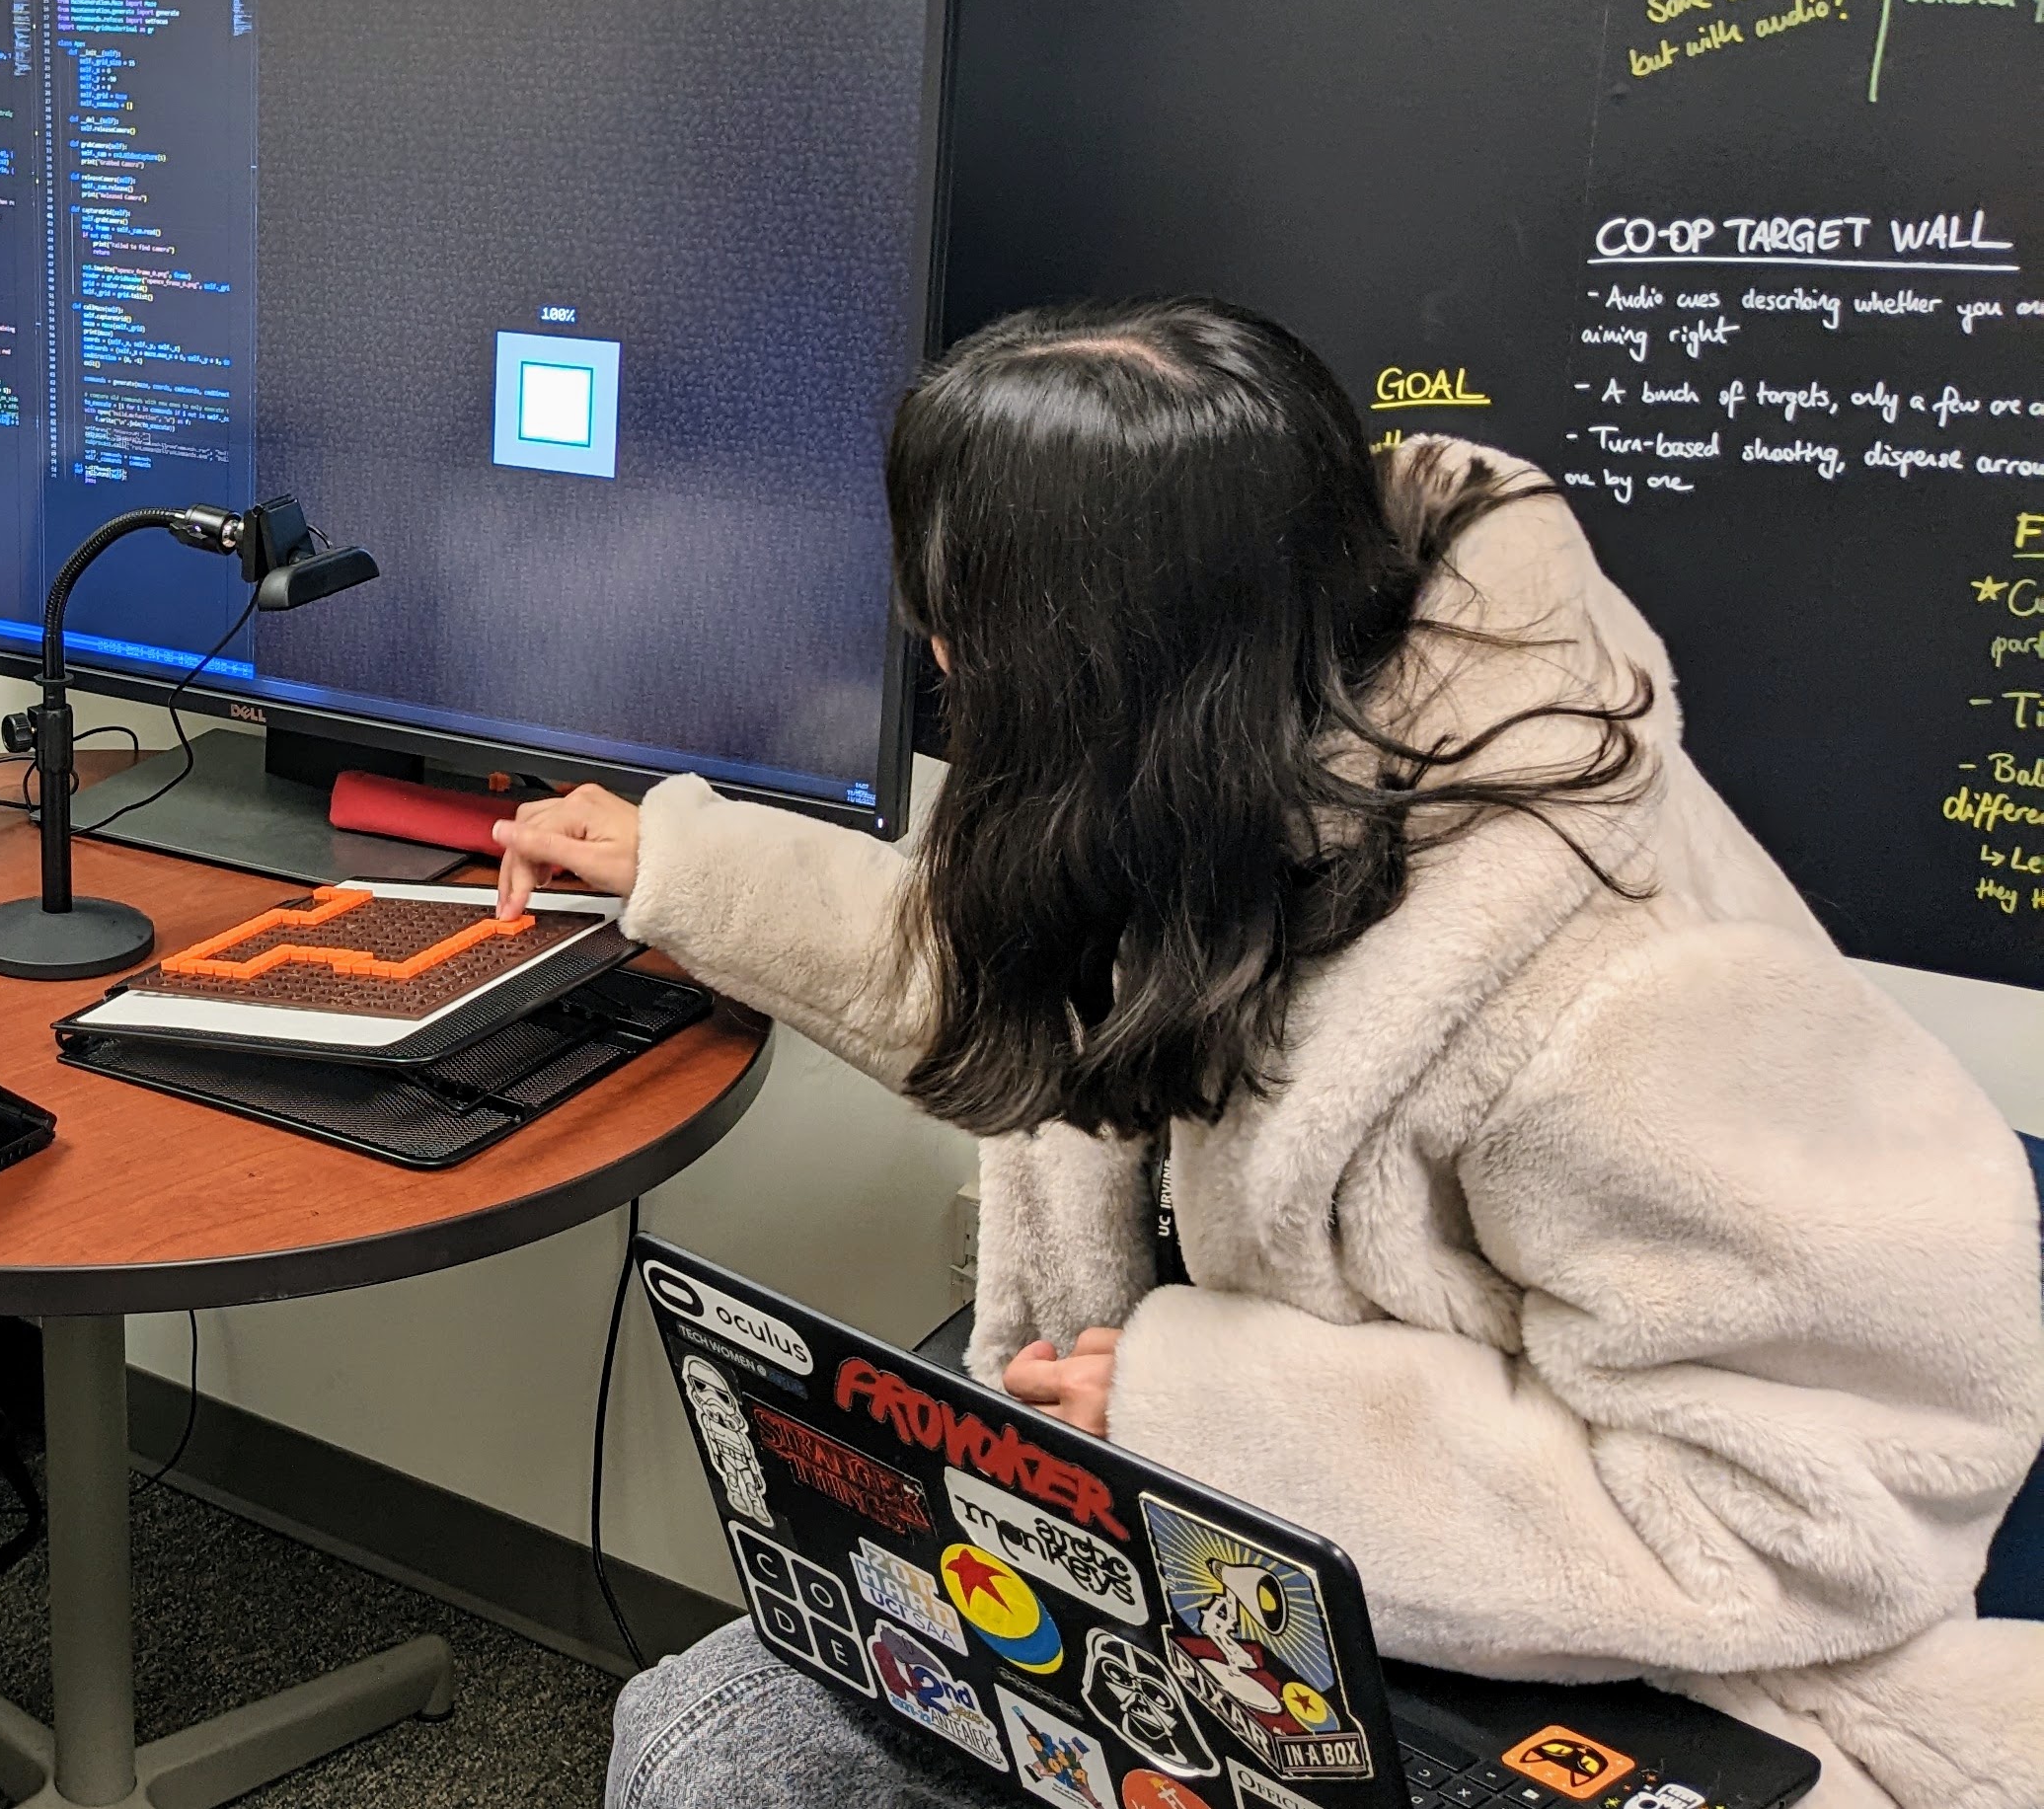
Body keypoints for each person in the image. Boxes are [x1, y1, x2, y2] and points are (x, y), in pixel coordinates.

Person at [502, 301, 2044, 1809]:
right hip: (1211, 1560)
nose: (942, 647)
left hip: (1593, 1674)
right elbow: (1057, 1011)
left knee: (738, 1763)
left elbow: (1809, 1511)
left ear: (1118, 658)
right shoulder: (1233, 752)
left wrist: (1205, 1417)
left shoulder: (1616, 983)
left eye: (972, 616)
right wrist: (680, 870)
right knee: (704, 1735)